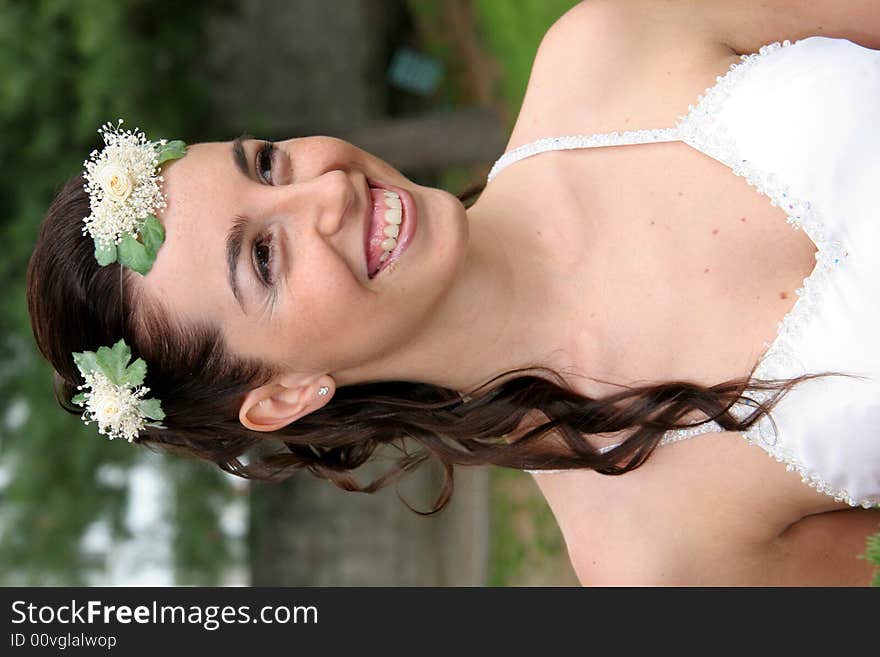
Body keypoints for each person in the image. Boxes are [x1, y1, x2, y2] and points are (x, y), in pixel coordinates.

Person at [26, 0, 880, 585]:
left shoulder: (604, 46)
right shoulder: (651, 553)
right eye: (262, 258)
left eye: (265, 163)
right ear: (284, 393)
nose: (325, 191)